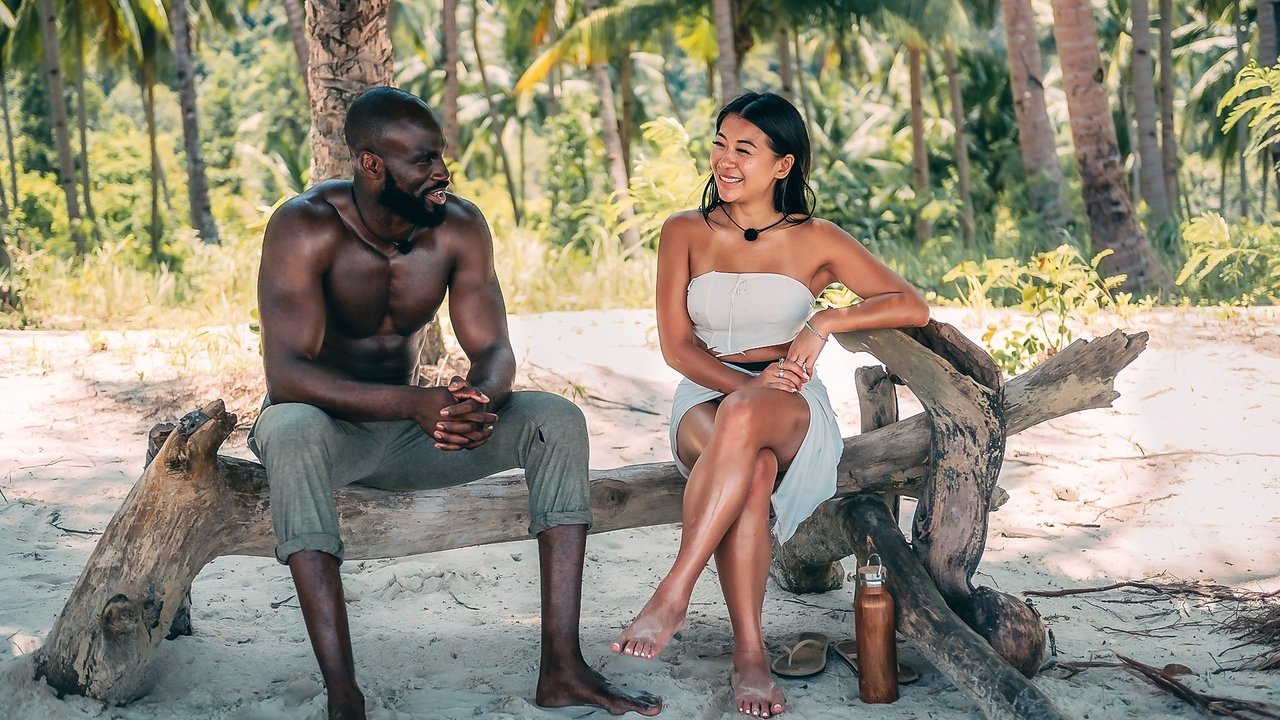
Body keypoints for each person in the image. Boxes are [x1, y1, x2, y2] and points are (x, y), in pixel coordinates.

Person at [251, 86, 661, 720]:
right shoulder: (305, 227)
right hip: (331, 435)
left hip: (419, 436)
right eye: (422, 160)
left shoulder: (459, 226)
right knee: (290, 428)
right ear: (371, 164)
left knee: (555, 420)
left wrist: (475, 398)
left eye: (440, 155)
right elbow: (286, 378)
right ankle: (343, 694)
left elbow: (495, 348)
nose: (441, 171)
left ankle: (563, 669)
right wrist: (416, 401)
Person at [609, 91, 929, 718]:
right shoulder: (683, 232)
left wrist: (826, 320)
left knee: (752, 419)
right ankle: (750, 655)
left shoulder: (818, 239)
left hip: (790, 400)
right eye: (719, 144)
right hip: (704, 394)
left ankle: (675, 589)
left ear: (783, 165)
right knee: (751, 467)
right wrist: (741, 387)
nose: (725, 160)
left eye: (744, 150)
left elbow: (911, 304)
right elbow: (677, 347)